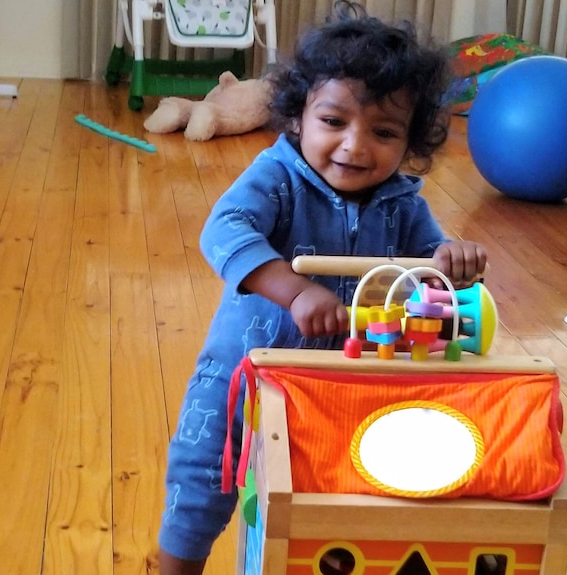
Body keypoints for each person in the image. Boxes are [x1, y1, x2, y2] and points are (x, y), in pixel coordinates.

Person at [158, 5, 488, 574]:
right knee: (203, 476)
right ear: (297, 118)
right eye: (334, 122)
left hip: (345, 385)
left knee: (329, 498)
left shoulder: (404, 203)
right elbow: (225, 229)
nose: (356, 148)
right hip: (243, 375)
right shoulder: (277, 176)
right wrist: (294, 290)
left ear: (410, 139)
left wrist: (450, 261)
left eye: (383, 132)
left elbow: (428, 275)